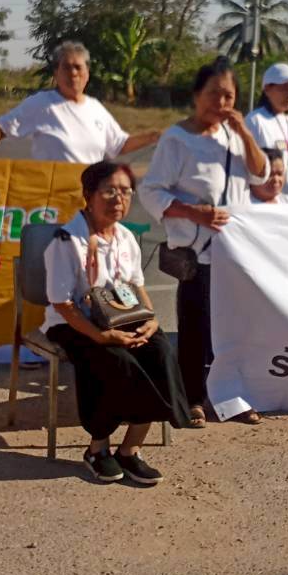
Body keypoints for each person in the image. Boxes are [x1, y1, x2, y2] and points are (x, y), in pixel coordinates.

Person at [42, 160, 189, 484]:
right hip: (74, 323)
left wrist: (151, 320)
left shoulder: (125, 237)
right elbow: (62, 304)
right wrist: (101, 336)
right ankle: (97, 449)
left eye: (125, 191)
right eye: (109, 191)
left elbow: (136, 286)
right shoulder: (66, 242)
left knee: (160, 351)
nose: (118, 199)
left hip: (123, 315)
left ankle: (130, 449)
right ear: (88, 195)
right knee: (114, 360)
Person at [141, 59, 269, 426]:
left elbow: (261, 174)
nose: (221, 102)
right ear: (197, 95)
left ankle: (233, 397)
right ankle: (193, 399)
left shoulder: (235, 136)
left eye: (229, 95)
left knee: (236, 330)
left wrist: (244, 133)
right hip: (199, 256)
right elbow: (150, 191)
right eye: (214, 94)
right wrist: (191, 212)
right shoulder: (177, 139)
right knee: (196, 329)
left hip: (237, 253)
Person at [0, 40, 159, 163]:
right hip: (52, 200)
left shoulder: (96, 108)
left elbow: (119, 145)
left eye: (78, 67)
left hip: (88, 199)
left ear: (87, 73)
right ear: (56, 73)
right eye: (67, 68)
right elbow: (0, 127)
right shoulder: (42, 104)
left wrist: (155, 137)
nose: (73, 73)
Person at [246, 63, 288, 203]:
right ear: (267, 89)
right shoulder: (255, 121)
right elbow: (247, 169)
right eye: (284, 88)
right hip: (265, 207)